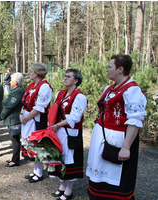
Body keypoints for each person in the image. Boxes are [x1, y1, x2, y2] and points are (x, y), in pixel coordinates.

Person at [86, 55, 147, 200]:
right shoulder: (110, 88)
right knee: (98, 175)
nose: (106, 70)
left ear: (120, 69)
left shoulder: (132, 90)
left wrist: (126, 147)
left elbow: (134, 120)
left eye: (109, 67)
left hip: (118, 139)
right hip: (102, 136)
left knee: (115, 176)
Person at [48, 69, 87, 200]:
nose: (65, 78)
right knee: (61, 158)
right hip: (58, 131)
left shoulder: (79, 97)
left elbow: (75, 117)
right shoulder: (60, 94)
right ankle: (62, 186)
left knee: (70, 160)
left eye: (68, 77)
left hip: (70, 133)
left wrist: (58, 125)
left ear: (76, 80)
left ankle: (69, 190)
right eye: (65, 76)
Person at [20, 62, 52, 183]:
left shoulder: (44, 86)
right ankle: (35, 170)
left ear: (37, 73)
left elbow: (40, 107)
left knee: (37, 145)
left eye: (32, 71)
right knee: (31, 144)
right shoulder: (31, 85)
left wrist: (26, 117)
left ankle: (39, 173)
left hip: (36, 120)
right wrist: (21, 114)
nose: (30, 73)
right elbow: (24, 101)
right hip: (28, 119)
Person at [1, 72, 25, 167]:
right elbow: (6, 101)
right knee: (13, 140)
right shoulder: (15, 90)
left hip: (13, 118)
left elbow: (10, 104)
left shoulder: (18, 91)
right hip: (12, 118)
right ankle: (14, 157)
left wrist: (2, 114)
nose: (10, 81)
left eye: (11, 80)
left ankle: (15, 160)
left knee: (15, 140)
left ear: (15, 81)